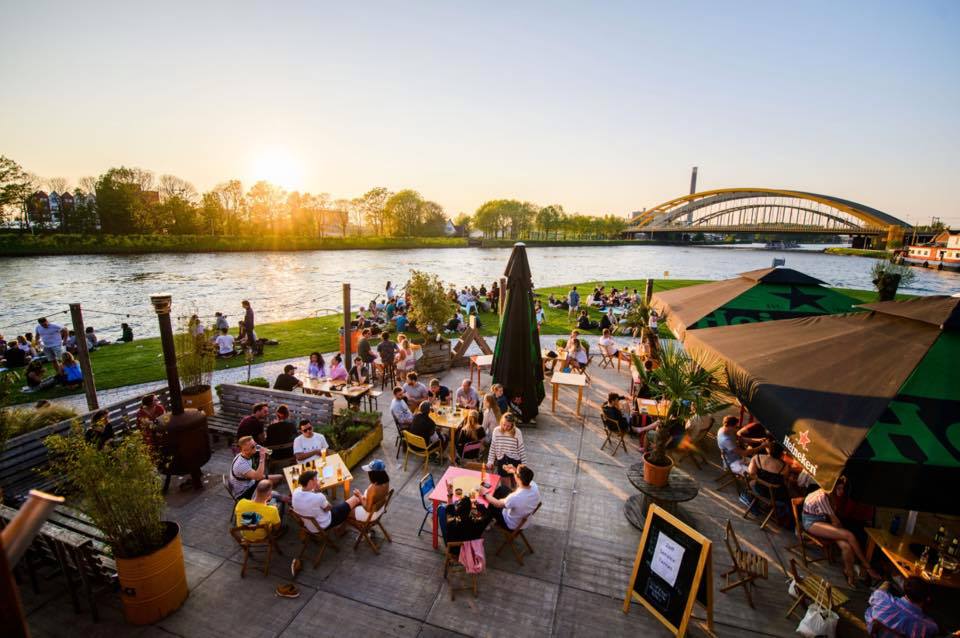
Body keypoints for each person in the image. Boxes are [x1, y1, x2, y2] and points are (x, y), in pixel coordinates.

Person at [802, 478, 880, 586]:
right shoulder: (822, 497)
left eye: (842, 488)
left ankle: (849, 573)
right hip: (811, 522)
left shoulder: (832, 496)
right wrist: (843, 534)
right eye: (838, 488)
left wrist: (842, 534)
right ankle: (867, 566)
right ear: (832, 487)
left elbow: (835, 519)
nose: (841, 491)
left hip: (824, 520)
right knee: (849, 535)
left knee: (846, 546)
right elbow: (836, 522)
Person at [865, 578, 939, 638]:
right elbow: (934, 631)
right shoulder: (928, 626)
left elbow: (878, 592)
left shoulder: (882, 599)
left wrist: (887, 582)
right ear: (927, 599)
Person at [292, 470, 358, 534]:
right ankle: (349, 527)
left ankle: (342, 529)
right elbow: (329, 508)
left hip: (310, 526)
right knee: (355, 498)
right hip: (324, 524)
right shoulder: (318, 497)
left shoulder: (295, 492)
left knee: (345, 507)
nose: (317, 481)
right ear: (310, 482)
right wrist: (319, 492)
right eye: (316, 480)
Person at [483, 464, 540, 531]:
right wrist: (514, 471)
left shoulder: (515, 497)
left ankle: (486, 522)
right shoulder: (533, 485)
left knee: (487, 504)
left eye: (516, 472)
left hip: (511, 524)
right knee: (502, 489)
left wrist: (485, 493)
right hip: (523, 521)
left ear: (518, 478)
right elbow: (520, 483)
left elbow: (498, 504)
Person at [227, 436, 283, 501]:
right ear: (245, 450)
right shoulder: (241, 465)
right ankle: (267, 497)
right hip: (244, 493)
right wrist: (262, 458)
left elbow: (269, 452)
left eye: (255, 444)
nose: (256, 447)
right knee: (275, 493)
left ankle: (268, 494)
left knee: (279, 477)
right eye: (253, 447)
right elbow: (258, 477)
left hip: (251, 482)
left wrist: (264, 449)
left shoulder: (244, 454)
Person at [486, 413, 527, 487]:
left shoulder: (517, 432)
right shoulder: (496, 431)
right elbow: (493, 447)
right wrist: (490, 461)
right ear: (501, 422)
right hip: (502, 461)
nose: (505, 427)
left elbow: (521, 449)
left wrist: (524, 465)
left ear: (512, 425)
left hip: (515, 461)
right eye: (504, 424)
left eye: (508, 426)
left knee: (515, 485)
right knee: (505, 487)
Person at [349, 459, 390, 525]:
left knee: (345, 511)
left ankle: (342, 530)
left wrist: (359, 495)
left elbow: (368, 509)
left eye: (369, 472)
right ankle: (341, 529)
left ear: (373, 474)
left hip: (370, 515)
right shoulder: (386, 482)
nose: (368, 473)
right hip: (380, 509)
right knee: (353, 502)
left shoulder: (372, 488)